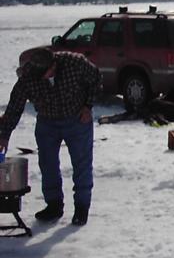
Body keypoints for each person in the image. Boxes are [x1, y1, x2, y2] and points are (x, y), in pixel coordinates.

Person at [0, 49, 101, 226]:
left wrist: (88, 106)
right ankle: (53, 205)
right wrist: (4, 135)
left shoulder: (74, 63)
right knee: (47, 164)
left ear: (53, 64)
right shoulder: (29, 76)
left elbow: (96, 79)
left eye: (46, 74)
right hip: (47, 121)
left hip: (77, 118)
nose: (44, 78)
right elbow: (15, 106)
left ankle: (81, 208)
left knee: (82, 164)